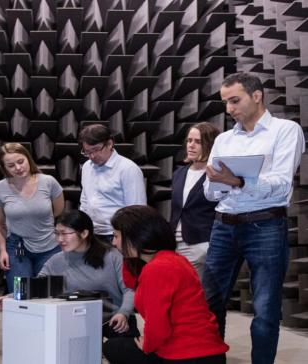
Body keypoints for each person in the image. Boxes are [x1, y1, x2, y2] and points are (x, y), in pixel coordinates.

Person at [202, 72, 305, 364]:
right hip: (223, 226)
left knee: (265, 309)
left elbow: (282, 184)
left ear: (257, 95)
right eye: (225, 103)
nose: (229, 109)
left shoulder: (286, 131)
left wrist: (237, 182)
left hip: (265, 226)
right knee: (210, 303)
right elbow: (210, 192)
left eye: (235, 100)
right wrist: (222, 182)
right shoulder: (223, 139)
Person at [105, 205, 229, 364]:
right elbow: (131, 282)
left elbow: (158, 328)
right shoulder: (173, 259)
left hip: (186, 355)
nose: (114, 242)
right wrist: (128, 254)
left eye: (116, 236)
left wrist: (147, 345)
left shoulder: (156, 269)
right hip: (205, 353)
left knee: (113, 348)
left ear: (134, 237)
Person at [0, 210, 137, 339]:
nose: (60, 239)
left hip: (115, 319)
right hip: (79, 320)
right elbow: (36, 286)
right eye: (57, 233)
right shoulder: (56, 261)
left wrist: (124, 313)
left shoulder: (112, 256)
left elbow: (129, 289)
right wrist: (8, 298)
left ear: (84, 233)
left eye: (65, 233)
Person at [0, 143, 65, 292]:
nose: (18, 168)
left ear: (28, 159)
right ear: (4, 168)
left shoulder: (48, 182)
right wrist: (3, 251)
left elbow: (58, 212)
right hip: (18, 249)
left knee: (50, 296)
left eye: (20, 161)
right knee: (20, 295)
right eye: (11, 165)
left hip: (50, 248)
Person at [78, 124, 147, 244]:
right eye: (87, 152)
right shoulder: (86, 168)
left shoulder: (128, 169)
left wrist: (125, 239)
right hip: (93, 234)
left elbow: (137, 210)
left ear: (110, 144)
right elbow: (85, 202)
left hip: (117, 236)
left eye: (96, 150)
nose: (92, 156)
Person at [169, 122, 220, 277]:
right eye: (189, 141)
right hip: (176, 244)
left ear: (210, 146)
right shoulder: (179, 173)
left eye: (198, 142)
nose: (191, 145)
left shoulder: (218, 175)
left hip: (201, 243)